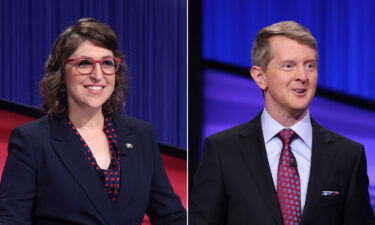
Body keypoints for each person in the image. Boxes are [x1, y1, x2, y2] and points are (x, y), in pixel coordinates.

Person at [0, 18, 186, 225]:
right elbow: (11, 219)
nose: (98, 75)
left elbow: (171, 216)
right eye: (85, 63)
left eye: (107, 63)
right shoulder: (32, 140)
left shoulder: (140, 134)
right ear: (62, 73)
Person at [189, 21, 374, 225]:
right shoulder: (222, 150)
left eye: (309, 65)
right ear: (260, 77)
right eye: (289, 66)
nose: (302, 76)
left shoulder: (348, 155)